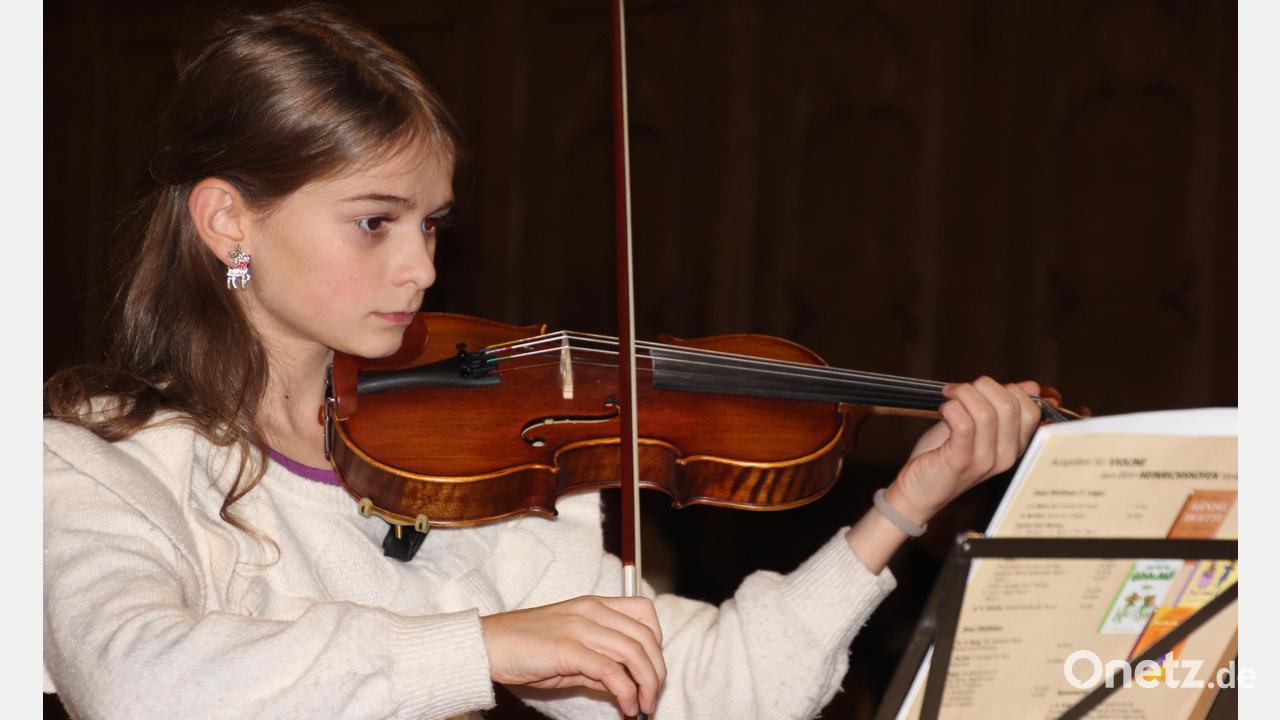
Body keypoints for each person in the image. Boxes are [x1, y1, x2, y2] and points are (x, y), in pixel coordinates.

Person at [42, 5, 1043, 719]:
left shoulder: (484, 465)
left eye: (431, 224)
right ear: (227, 219)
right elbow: (136, 682)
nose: (422, 266)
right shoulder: (95, 462)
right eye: (374, 223)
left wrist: (902, 511)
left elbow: (705, 690)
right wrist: (486, 647)